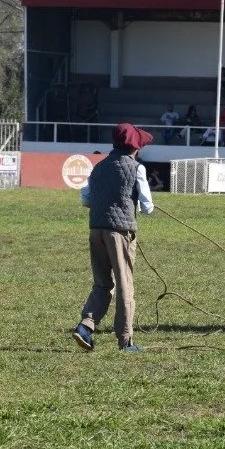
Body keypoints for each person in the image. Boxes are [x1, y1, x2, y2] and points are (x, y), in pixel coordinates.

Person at [73, 123, 154, 353]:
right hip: (120, 232)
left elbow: (86, 199)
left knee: (102, 283)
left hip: (95, 228)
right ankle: (126, 340)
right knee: (124, 285)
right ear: (135, 147)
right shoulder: (137, 168)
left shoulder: (98, 168)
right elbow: (147, 207)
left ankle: (86, 327)